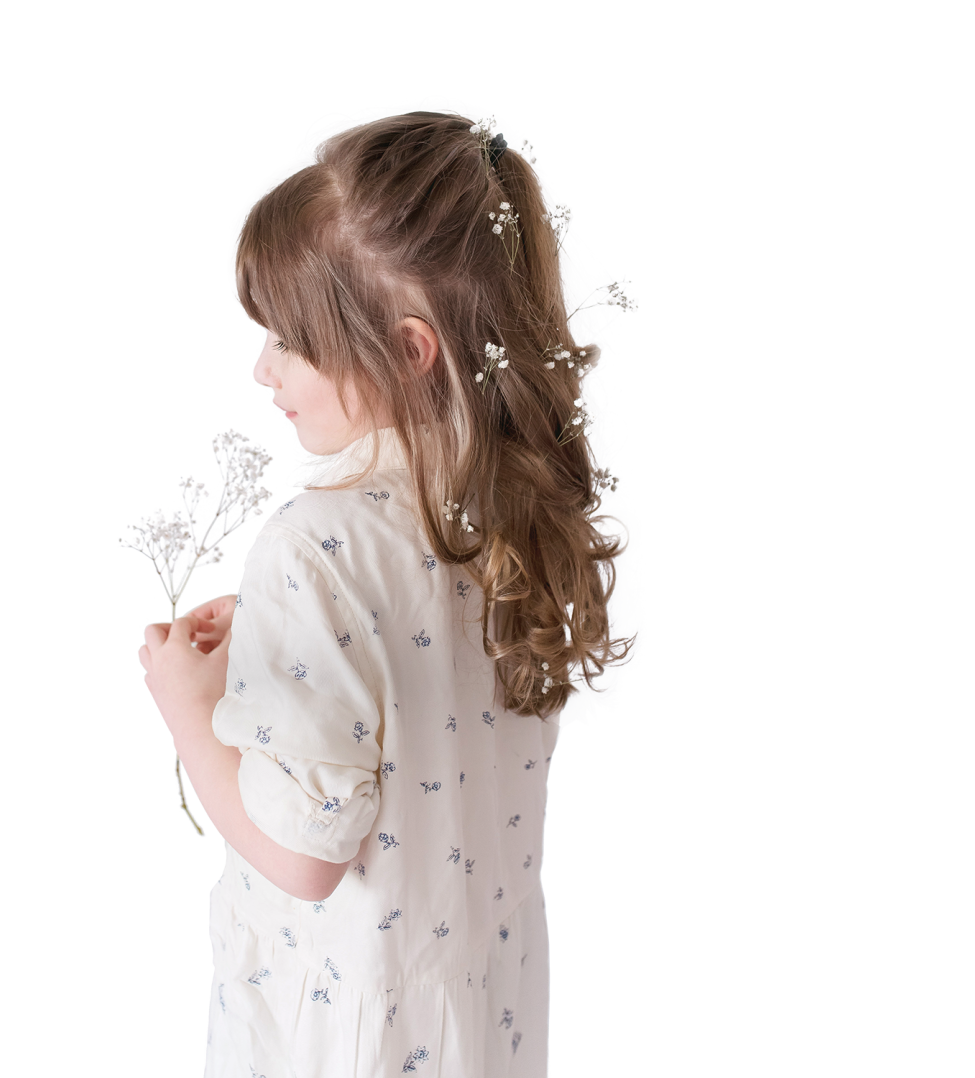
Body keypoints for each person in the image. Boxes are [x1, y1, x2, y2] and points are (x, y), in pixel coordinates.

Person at [136, 105, 639, 1078]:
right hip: (479, 1023)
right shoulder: (509, 518)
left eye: (289, 339)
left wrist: (187, 709)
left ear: (408, 351)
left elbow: (304, 855)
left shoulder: (312, 548)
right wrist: (277, 645)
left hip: (341, 1037)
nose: (262, 368)